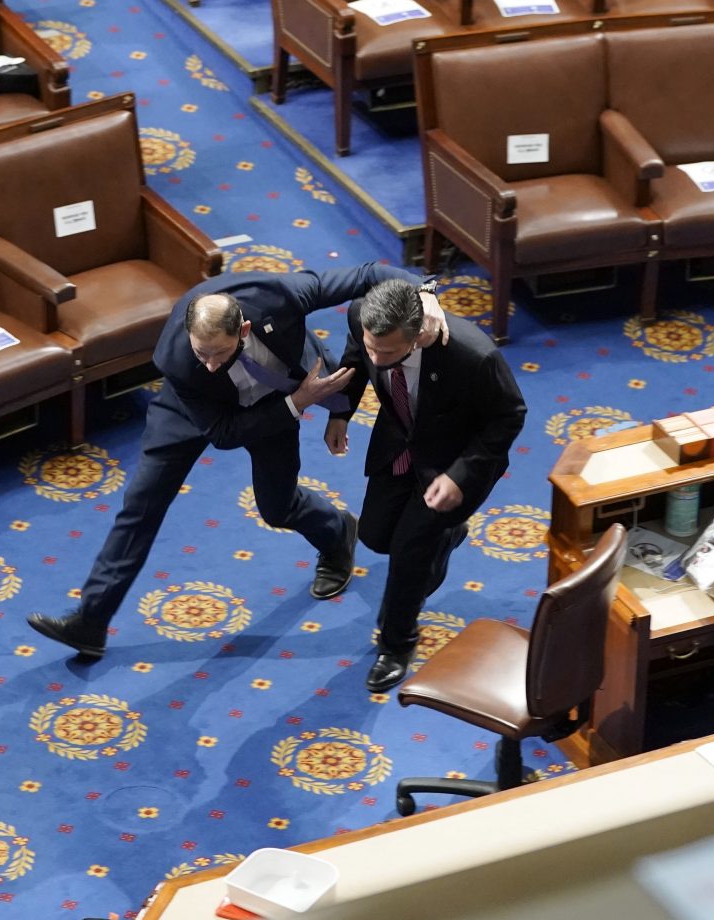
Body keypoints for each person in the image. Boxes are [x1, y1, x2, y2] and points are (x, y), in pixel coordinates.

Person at [28, 264, 445, 658]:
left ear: (244, 329)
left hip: (274, 398)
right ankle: (92, 620)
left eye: (218, 353)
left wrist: (422, 291)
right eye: (201, 353)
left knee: (277, 507)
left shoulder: (278, 297)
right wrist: (297, 404)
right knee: (141, 505)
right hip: (195, 410)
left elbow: (365, 275)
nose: (208, 363)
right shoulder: (179, 359)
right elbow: (223, 434)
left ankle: (336, 533)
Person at [331, 278, 527, 692]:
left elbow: (508, 416)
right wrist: (340, 415)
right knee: (375, 535)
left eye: (387, 351)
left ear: (418, 336)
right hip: (398, 442)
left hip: (453, 463)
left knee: (408, 554)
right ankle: (449, 533)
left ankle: (397, 644)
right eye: (371, 346)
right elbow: (354, 360)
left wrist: (460, 476)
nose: (376, 357)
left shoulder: (474, 356)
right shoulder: (361, 320)